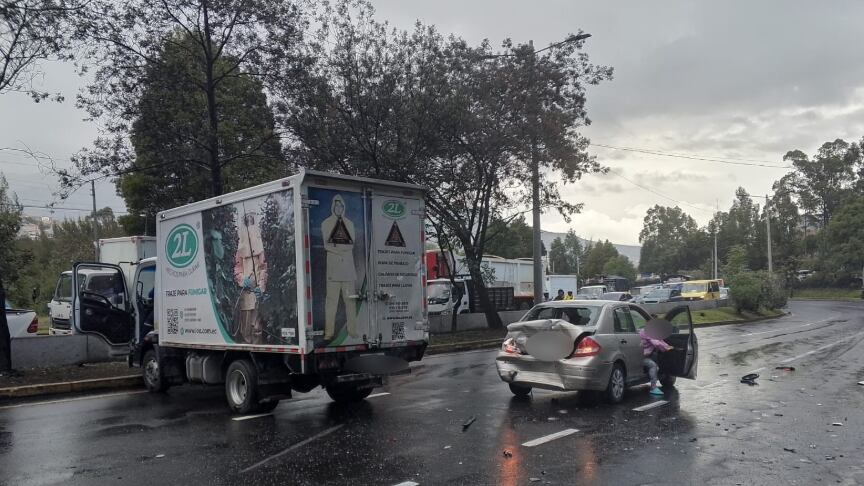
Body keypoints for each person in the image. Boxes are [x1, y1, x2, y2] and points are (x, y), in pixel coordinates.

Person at [322, 194, 358, 340]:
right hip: (333, 271)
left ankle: (352, 330)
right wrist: (341, 249)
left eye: (341, 206)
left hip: (348, 271)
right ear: (333, 207)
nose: (339, 208)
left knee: (350, 302)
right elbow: (327, 245)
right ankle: (329, 333)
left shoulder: (349, 224)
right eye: (336, 205)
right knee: (331, 303)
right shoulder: (326, 223)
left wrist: (338, 248)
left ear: (344, 207)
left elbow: (351, 244)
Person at [234, 212, 267, 344]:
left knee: (257, 324)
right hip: (246, 291)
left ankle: (257, 345)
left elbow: (264, 268)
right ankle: (247, 344)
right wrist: (242, 280)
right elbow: (237, 268)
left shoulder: (260, 248)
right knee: (246, 324)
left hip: (257, 291)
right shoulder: (240, 249)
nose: (249, 222)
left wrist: (261, 286)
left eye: (251, 220)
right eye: (247, 220)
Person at [640, 327, 673, 395]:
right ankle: (653, 387)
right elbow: (656, 343)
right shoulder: (647, 332)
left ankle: (651, 379)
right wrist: (667, 348)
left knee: (656, 366)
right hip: (640, 357)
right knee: (653, 366)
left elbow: (660, 341)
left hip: (645, 355)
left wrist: (668, 346)